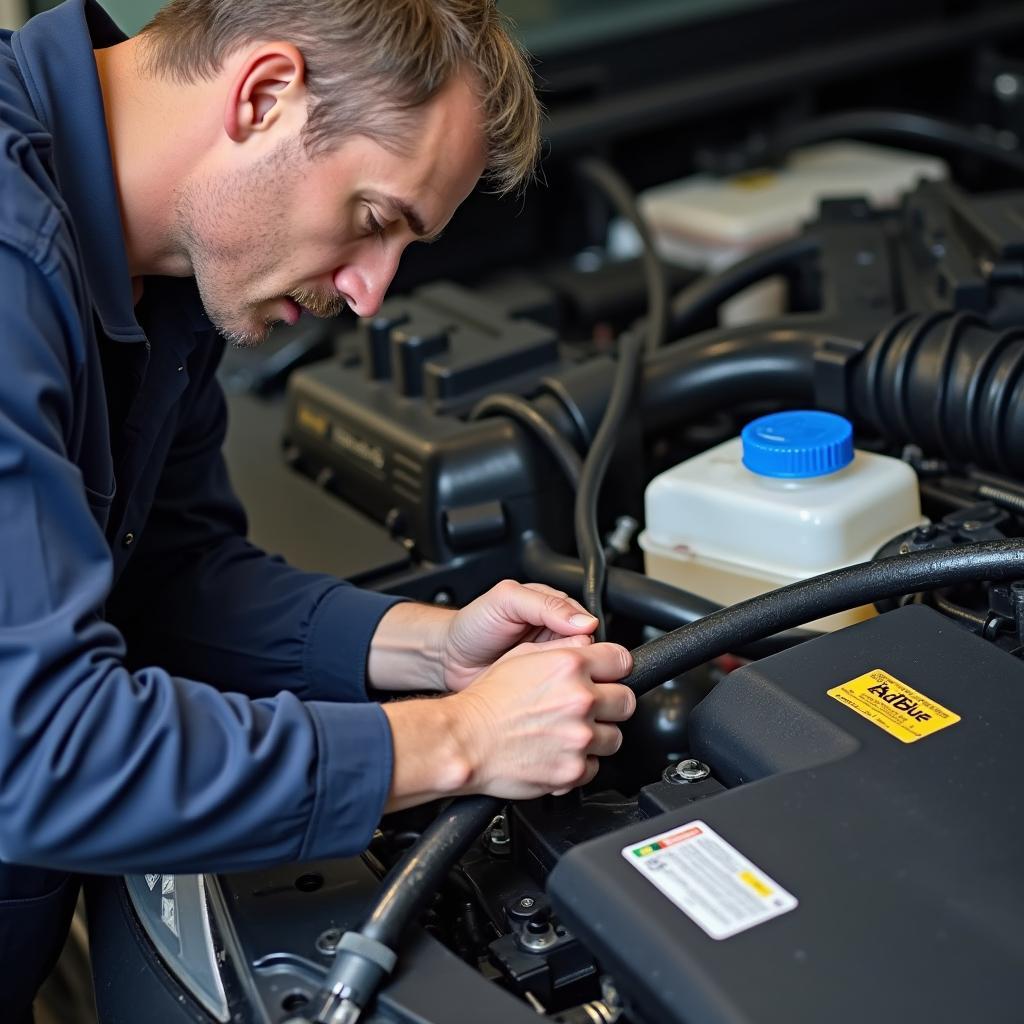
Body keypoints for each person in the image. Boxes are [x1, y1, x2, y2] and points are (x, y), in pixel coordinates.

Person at [0, 0, 636, 1016]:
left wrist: (429, 651)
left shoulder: (162, 256)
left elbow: (169, 573)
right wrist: (458, 740)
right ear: (263, 96)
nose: (370, 289)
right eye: (375, 219)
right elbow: (37, 749)